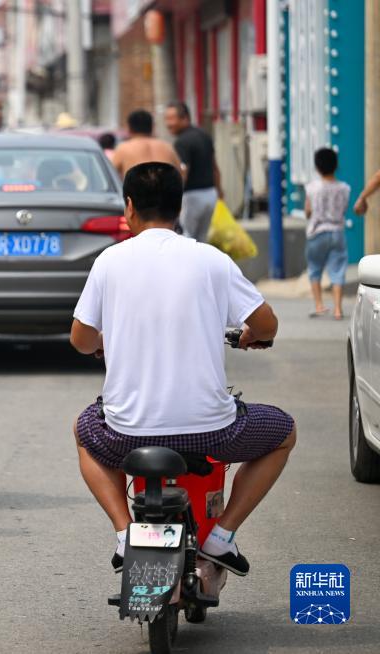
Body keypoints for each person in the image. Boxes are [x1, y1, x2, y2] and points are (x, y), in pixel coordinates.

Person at [70, 162, 296, 577]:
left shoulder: (109, 261)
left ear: (130, 208)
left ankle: (125, 534)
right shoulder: (211, 260)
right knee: (284, 432)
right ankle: (222, 537)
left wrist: (106, 341)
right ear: (179, 208)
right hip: (213, 430)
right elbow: (267, 325)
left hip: (125, 434)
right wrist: (248, 336)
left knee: (84, 431)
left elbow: (81, 340)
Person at [164, 101, 222, 243]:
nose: (168, 124)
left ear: (185, 118)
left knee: (186, 237)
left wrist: (174, 200)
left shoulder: (182, 142)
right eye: (166, 119)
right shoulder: (204, 135)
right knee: (202, 239)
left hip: (192, 197)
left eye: (172, 119)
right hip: (210, 194)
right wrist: (219, 191)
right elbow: (215, 166)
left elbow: (183, 172)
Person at [304, 148, 351, 320]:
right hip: (337, 232)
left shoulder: (312, 188)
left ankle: (319, 305)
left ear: (317, 167)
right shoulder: (344, 188)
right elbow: (344, 209)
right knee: (338, 269)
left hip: (317, 232)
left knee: (315, 268)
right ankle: (338, 309)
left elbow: (308, 211)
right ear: (336, 165)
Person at [109, 110, 182, 178]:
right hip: (167, 191)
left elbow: (110, 175)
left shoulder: (123, 148)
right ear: (152, 127)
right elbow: (180, 174)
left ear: (129, 128)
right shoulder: (167, 147)